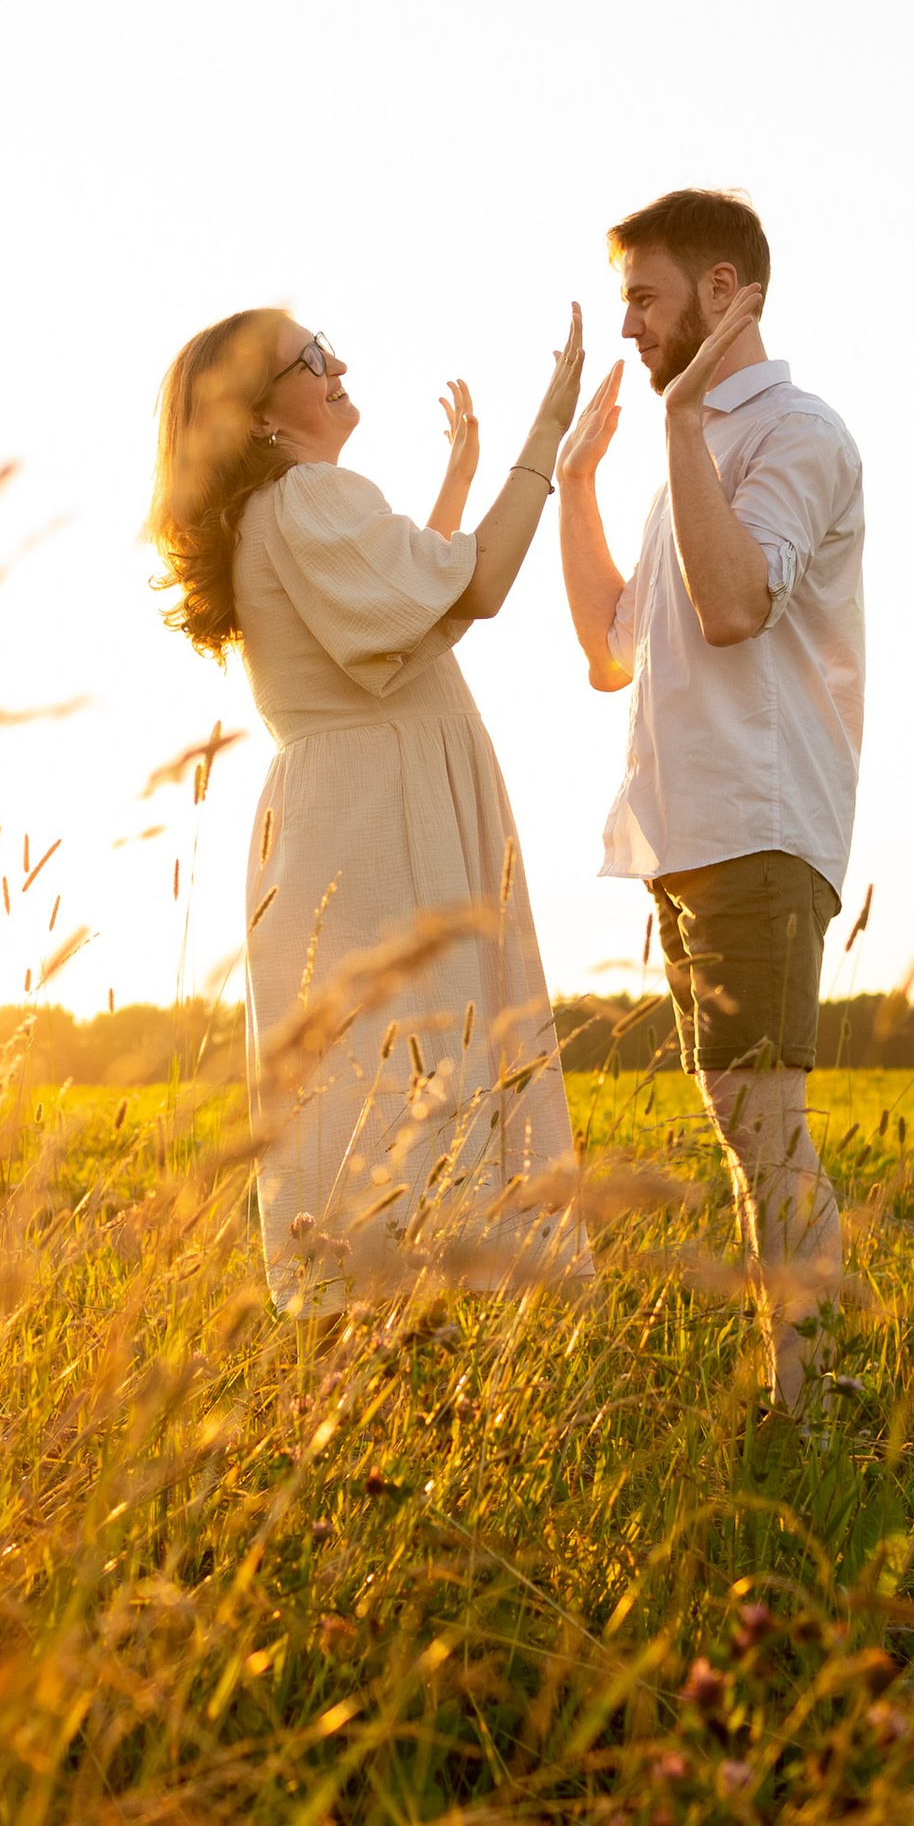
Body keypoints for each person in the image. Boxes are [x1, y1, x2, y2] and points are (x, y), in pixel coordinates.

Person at [150, 305, 593, 1315]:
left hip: (350, 807)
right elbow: (472, 588)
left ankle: (387, 1334)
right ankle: (426, 1332)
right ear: (257, 412)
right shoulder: (312, 498)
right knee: (418, 1066)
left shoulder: (297, 509)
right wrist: (545, 435)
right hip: (382, 818)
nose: (339, 362)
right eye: (312, 358)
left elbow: (405, 612)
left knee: (379, 1079)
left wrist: (457, 482)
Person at [555, 187, 866, 1413]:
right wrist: (581, 483)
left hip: (758, 827)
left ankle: (817, 1414)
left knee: (768, 1130)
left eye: (646, 296)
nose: (626, 323)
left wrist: (679, 424)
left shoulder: (792, 433)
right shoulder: (681, 456)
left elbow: (738, 609)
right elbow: (610, 650)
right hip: (684, 841)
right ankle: (796, 1393)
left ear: (728, 293)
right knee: (746, 1131)